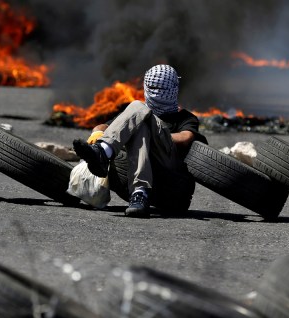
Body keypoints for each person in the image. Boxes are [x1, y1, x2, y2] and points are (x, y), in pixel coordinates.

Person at [73, 64, 206, 218]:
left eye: (161, 87)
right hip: (142, 180)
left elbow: (185, 138)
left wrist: (155, 136)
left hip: (172, 183)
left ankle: (104, 152)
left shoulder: (184, 117)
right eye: (153, 86)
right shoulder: (136, 116)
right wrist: (97, 134)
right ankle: (139, 193)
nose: (156, 91)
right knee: (140, 127)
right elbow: (104, 126)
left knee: (138, 111)